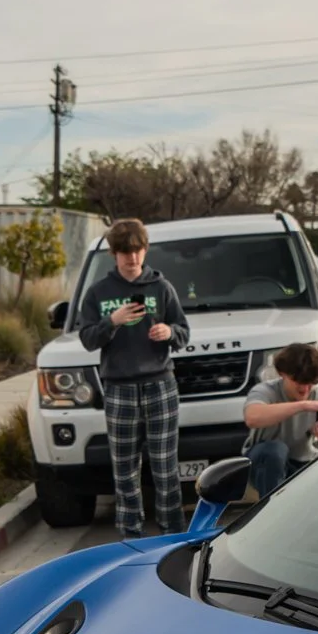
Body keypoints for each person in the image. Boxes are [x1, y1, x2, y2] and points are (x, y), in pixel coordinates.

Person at [78, 217, 190, 538]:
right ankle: (131, 536)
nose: (133, 258)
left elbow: (183, 332)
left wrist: (169, 332)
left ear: (145, 250)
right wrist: (112, 321)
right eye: (126, 252)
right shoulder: (98, 293)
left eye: (138, 250)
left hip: (160, 385)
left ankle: (172, 535)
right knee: (125, 469)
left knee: (165, 467)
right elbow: (88, 339)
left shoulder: (161, 287)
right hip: (120, 388)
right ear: (114, 253)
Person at [242, 341, 318, 499]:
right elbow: (252, 417)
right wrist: (303, 405)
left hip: (303, 463)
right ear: (282, 373)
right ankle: (271, 507)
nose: (305, 389)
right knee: (275, 451)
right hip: (263, 461)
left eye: (310, 383)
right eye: (299, 382)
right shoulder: (266, 391)